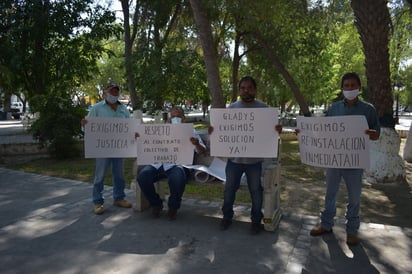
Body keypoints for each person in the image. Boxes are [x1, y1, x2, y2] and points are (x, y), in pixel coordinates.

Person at [308, 72, 380, 246]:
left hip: (354, 162)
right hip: (334, 160)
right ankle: (326, 225)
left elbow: (377, 134)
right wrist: (305, 132)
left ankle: (352, 230)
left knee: (354, 197)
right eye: (346, 86)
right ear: (342, 88)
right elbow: (324, 131)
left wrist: (372, 134)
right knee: (330, 194)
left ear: (359, 88)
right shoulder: (334, 108)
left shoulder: (368, 109)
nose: (349, 88)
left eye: (353, 85)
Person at [209, 76, 282, 235]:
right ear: (240, 89)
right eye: (243, 88)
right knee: (229, 190)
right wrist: (213, 132)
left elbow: (270, 133)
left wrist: (276, 130)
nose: (246, 90)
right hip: (234, 161)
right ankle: (227, 217)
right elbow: (222, 131)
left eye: (249, 87)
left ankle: (256, 220)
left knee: (256, 191)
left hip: (254, 162)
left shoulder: (264, 109)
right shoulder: (231, 109)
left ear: (255, 90)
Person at [136, 107, 206, 220]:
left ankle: (173, 207)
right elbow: (149, 144)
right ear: (169, 118)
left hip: (178, 165)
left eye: (178, 116)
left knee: (177, 178)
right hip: (159, 164)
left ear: (183, 118)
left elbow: (202, 151)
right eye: (173, 116)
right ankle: (156, 204)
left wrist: (196, 144)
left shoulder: (191, 131)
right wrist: (140, 138)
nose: (176, 118)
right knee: (143, 176)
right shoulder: (162, 130)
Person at [81, 82, 133, 215]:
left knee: (119, 175)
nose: (114, 94)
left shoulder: (124, 109)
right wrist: (84, 124)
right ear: (105, 93)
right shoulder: (96, 108)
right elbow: (87, 128)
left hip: (119, 148)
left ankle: (119, 198)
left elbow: (130, 127)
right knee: (100, 176)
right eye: (111, 91)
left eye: (116, 91)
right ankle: (98, 202)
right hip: (102, 148)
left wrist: (135, 133)